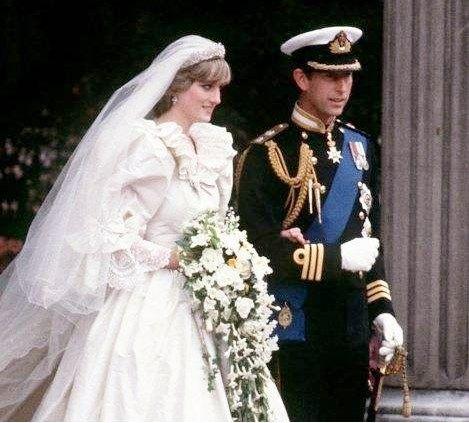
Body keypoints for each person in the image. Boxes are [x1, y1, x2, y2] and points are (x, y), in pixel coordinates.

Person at [0, 35, 288, 421]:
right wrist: (177, 258)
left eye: (220, 88)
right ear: (175, 88)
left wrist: (229, 256)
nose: (217, 98)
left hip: (209, 302)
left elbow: (217, 224)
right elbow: (114, 236)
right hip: (148, 304)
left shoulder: (212, 147)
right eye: (207, 86)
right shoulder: (148, 146)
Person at [236, 26, 404, 421]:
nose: (342, 87)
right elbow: (254, 248)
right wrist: (335, 258)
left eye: (348, 76)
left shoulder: (360, 146)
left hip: (351, 325)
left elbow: (370, 238)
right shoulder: (267, 153)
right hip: (295, 324)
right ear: (302, 78)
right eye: (330, 76)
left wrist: (382, 309)